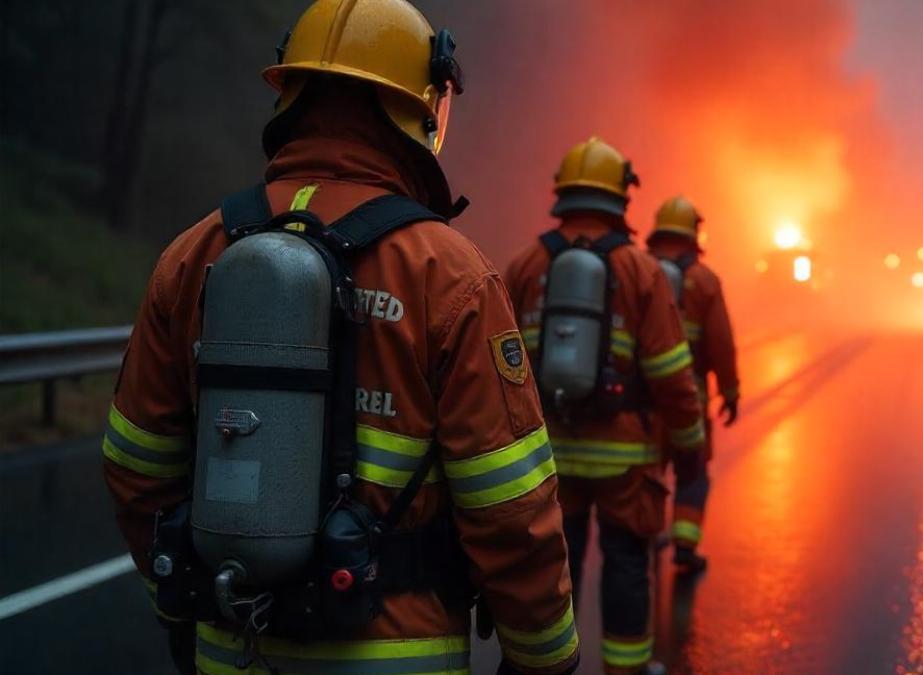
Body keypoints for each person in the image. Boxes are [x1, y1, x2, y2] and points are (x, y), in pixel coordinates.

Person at [101, 2, 577, 673]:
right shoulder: (448, 273)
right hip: (397, 655)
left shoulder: (194, 253)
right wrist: (544, 655)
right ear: (419, 109)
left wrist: (180, 605)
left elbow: (135, 466)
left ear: (291, 94)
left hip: (232, 648)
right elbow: (510, 506)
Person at [504, 138, 705, 675]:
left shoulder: (523, 267)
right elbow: (672, 377)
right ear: (621, 196)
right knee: (625, 568)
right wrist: (689, 452)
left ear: (563, 192)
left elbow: (496, 371)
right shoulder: (642, 273)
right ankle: (624, 670)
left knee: (552, 574)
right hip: (625, 462)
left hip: (548, 461)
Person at [646, 196, 740, 575]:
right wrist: (730, 392)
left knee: (648, 470)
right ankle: (685, 544)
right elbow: (721, 343)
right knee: (693, 471)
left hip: (642, 401)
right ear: (693, 234)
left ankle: (648, 536)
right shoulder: (704, 280)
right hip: (689, 401)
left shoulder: (637, 269)